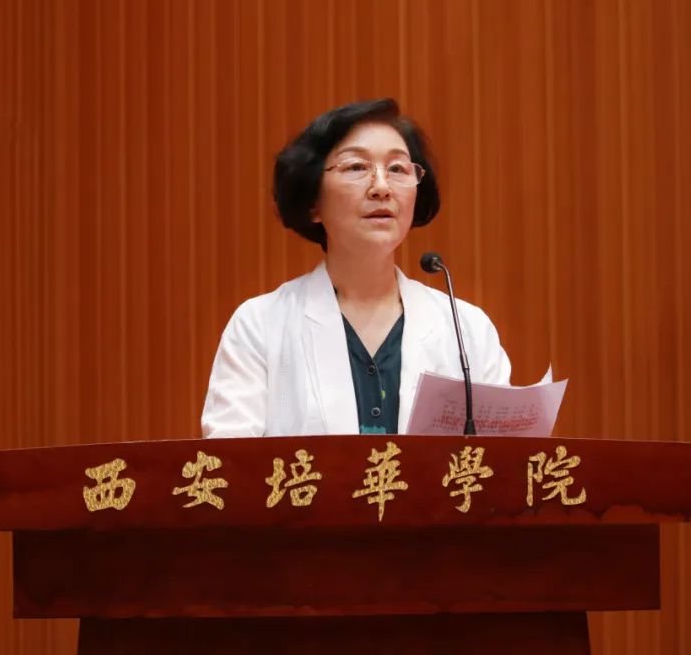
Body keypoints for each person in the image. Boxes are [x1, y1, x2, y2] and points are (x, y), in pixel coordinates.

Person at [201, 98, 511, 438]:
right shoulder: (260, 325)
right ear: (313, 202)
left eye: (398, 169)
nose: (382, 187)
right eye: (356, 168)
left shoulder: (466, 328)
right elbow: (229, 461)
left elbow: (501, 461)